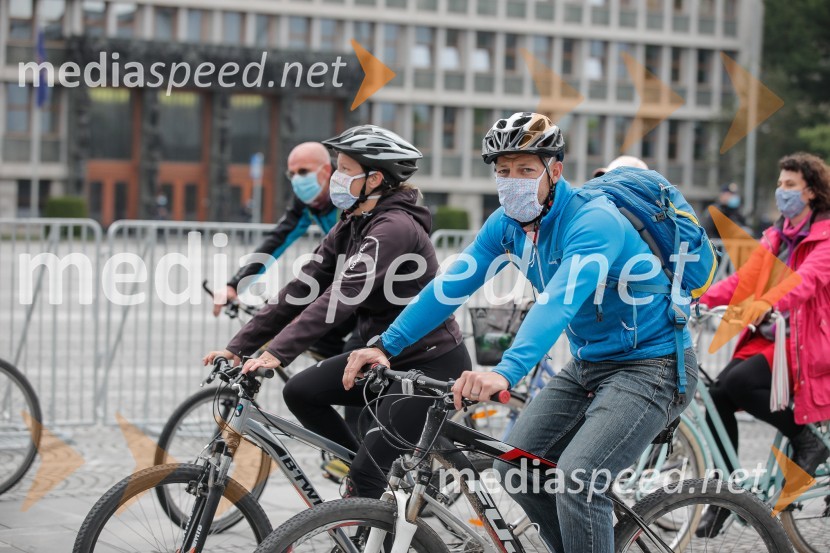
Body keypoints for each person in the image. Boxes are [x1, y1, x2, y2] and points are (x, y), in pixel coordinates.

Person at [345, 112, 698, 553]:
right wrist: (385, 346)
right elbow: (450, 286)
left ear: (555, 171)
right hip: (590, 364)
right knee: (517, 467)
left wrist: (505, 372)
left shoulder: (595, 221)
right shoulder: (507, 225)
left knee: (579, 480)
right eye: (503, 170)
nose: (513, 181)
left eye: (526, 169)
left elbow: (559, 301)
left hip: (654, 365)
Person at [203, 125, 470, 499]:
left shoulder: (394, 227)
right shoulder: (353, 222)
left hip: (428, 365)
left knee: (366, 473)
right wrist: (240, 346)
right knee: (301, 392)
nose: (336, 178)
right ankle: (367, 478)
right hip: (381, 358)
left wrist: (277, 352)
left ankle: (367, 495)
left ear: (374, 179)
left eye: (345, 169)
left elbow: (342, 295)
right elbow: (302, 287)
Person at [697, 152, 830, 536]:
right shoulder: (777, 235)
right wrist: (697, 299)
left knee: (739, 383)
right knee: (716, 396)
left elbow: (805, 281)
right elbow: (742, 281)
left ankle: (808, 441)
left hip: (807, 342)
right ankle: (726, 496)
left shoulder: (825, 236)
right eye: (780, 183)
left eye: (790, 185)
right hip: (773, 338)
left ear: (811, 191)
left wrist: (767, 303)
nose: (781, 191)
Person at [212, 141, 354, 359]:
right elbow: (278, 239)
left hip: (374, 278)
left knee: (351, 349)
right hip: (343, 272)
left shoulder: (350, 190)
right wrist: (235, 284)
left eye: (303, 172)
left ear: (326, 171)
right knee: (315, 335)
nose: (297, 179)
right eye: (292, 174)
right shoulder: (306, 201)